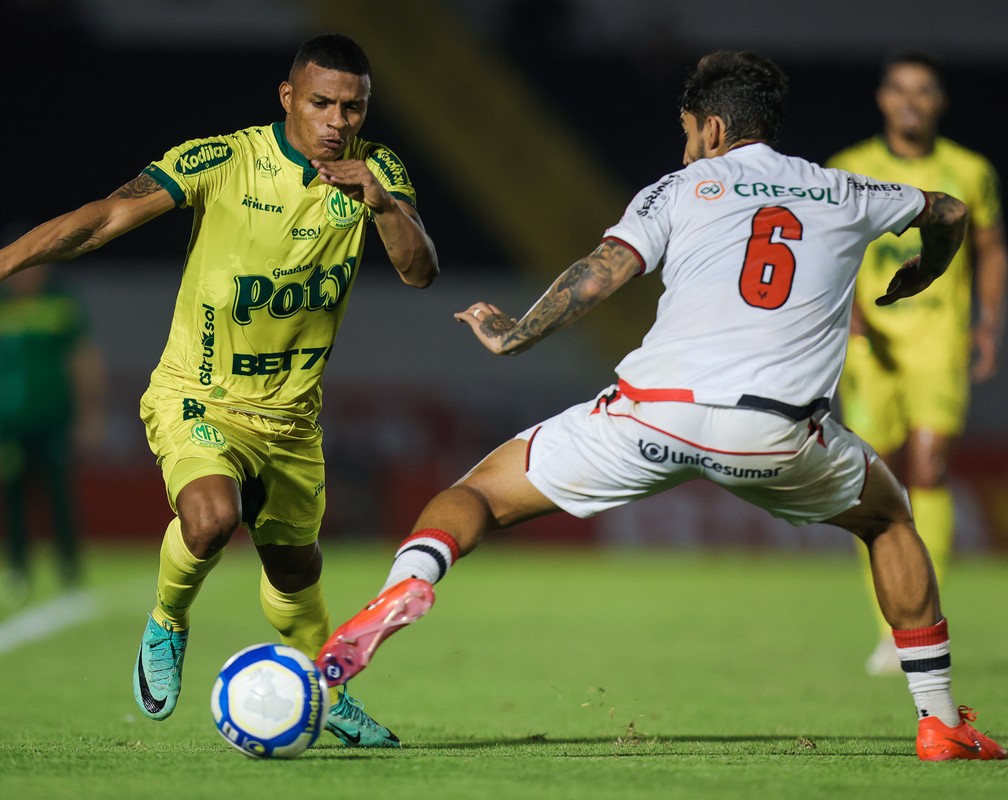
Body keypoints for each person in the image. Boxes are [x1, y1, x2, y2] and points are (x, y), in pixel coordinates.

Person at [316, 51, 1005, 762]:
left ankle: (408, 586)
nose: (685, 144)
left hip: (652, 415)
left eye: (686, 131)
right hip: (775, 433)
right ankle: (940, 722)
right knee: (890, 519)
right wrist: (927, 267)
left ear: (710, 128)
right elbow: (950, 211)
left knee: (477, 496)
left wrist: (515, 334)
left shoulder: (681, 187)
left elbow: (597, 275)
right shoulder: (846, 189)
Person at [0, 33, 438, 748]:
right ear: (288, 99)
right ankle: (168, 619)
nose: (337, 121)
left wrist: (382, 205)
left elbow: (419, 270)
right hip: (198, 395)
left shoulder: (379, 171)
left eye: (353, 107)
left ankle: (325, 687)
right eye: (321, 103)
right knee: (211, 519)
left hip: (291, 421)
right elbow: (104, 217)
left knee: (294, 563)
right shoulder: (222, 159)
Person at [827, 52, 1006, 676]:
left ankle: (924, 614)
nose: (910, 101)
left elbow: (989, 246)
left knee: (930, 469)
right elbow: (828, 249)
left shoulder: (969, 169)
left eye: (923, 90)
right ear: (882, 99)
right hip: (868, 342)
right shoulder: (849, 169)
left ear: (939, 102)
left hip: (937, 339)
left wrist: (987, 320)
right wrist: (841, 310)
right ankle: (890, 629)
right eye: (898, 90)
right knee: (877, 480)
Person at [0, 261, 105, 605]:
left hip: (53, 421)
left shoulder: (60, 306)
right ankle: (17, 569)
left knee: (60, 497)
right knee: (11, 499)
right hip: (8, 424)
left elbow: (83, 360)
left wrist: (91, 413)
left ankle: (69, 566)